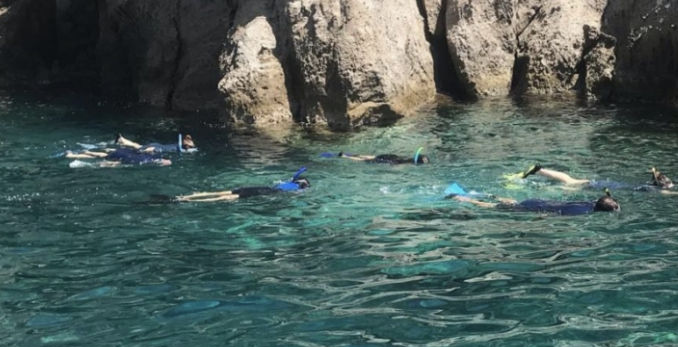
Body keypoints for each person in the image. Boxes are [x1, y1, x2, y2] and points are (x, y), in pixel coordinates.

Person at [519, 164, 678, 197]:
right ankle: (536, 180)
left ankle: (539, 171)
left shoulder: (648, 186)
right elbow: (677, 193)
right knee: (566, 187)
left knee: (570, 180)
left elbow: (675, 186)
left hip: (603, 182)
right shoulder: (652, 190)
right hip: (596, 187)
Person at [447, 186, 621, 216]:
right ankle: (464, 199)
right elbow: (554, 215)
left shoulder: (588, 203)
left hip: (538, 201)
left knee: (513, 201)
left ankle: (485, 193)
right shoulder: (583, 212)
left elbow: (602, 199)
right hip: (537, 208)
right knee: (495, 207)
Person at [176, 169, 311, 202]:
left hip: (262, 187)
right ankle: (192, 200)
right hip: (266, 192)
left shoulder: (291, 182)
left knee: (230, 191)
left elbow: (296, 175)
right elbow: (299, 193)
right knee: (233, 197)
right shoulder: (298, 189)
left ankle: (197, 195)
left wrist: (302, 170)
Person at [66, 147, 171, 166]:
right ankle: (72, 156)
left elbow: (148, 150)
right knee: (102, 158)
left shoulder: (152, 156)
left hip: (125, 152)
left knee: (104, 156)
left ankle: (87, 151)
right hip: (125, 155)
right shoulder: (146, 161)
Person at [329, 147, 429, 165]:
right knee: (364, 161)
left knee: (373, 156)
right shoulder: (409, 163)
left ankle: (355, 155)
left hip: (392, 156)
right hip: (392, 161)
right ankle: (345, 157)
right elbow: (398, 166)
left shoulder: (409, 157)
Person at [117, 133, 197, 154]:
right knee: (138, 149)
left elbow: (188, 137)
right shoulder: (180, 149)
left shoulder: (178, 144)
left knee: (138, 146)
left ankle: (122, 140)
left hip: (157, 144)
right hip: (157, 148)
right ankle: (120, 147)